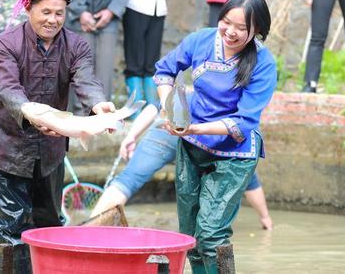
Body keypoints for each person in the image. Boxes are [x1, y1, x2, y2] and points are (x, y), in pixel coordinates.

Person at [0, 0, 115, 272]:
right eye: (45, 12)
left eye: (59, 13)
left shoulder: (76, 44)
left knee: (49, 224)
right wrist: (34, 114)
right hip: (8, 147)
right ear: (29, 9)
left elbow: (85, 80)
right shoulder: (6, 43)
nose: (52, 20)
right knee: (12, 228)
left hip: (50, 152)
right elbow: (8, 89)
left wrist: (98, 105)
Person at [155, 0, 277, 273]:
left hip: (234, 154)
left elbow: (244, 121)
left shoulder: (264, 62)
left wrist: (194, 127)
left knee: (211, 233)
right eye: (226, 22)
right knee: (190, 236)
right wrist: (169, 106)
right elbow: (164, 71)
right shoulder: (200, 40)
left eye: (242, 28)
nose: (231, 32)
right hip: (191, 146)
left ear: (257, 30)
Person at [90, 92, 273, 230]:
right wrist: (266, 220)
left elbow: (155, 108)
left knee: (128, 180)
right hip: (201, 135)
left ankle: (88, 230)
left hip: (165, 130)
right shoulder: (235, 111)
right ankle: (266, 220)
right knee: (243, 173)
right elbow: (249, 179)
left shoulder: (188, 94)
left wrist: (131, 136)